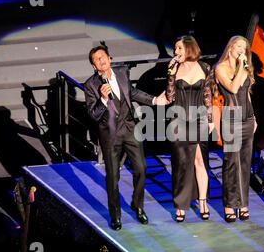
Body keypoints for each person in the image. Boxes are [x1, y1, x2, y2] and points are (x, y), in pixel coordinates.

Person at [84, 45, 168, 231]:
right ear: (94, 65)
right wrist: (103, 99)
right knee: (113, 177)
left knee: (142, 168)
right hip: (110, 135)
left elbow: (133, 93)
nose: (101, 60)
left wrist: (155, 100)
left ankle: (137, 206)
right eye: (97, 59)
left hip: (130, 128)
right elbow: (93, 115)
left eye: (103, 56)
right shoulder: (91, 85)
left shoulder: (122, 72)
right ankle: (116, 216)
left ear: (109, 58)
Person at [166, 35, 214, 222]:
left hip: (200, 119)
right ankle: (181, 204)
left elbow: (208, 95)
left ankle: (203, 201)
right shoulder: (175, 68)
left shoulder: (205, 68)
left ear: (189, 49)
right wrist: (170, 74)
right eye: (175, 48)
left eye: (179, 48)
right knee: (181, 164)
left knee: (200, 161)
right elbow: (170, 97)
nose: (175, 52)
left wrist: (210, 120)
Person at [213, 35, 257, 222]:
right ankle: (230, 204)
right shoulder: (220, 68)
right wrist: (241, 68)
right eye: (239, 46)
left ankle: (243, 203)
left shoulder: (245, 68)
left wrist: (254, 117)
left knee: (245, 163)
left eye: (244, 48)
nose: (242, 50)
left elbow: (246, 94)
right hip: (231, 119)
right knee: (232, 163)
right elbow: (232, 88)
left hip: (246, 118)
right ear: (230, 47)